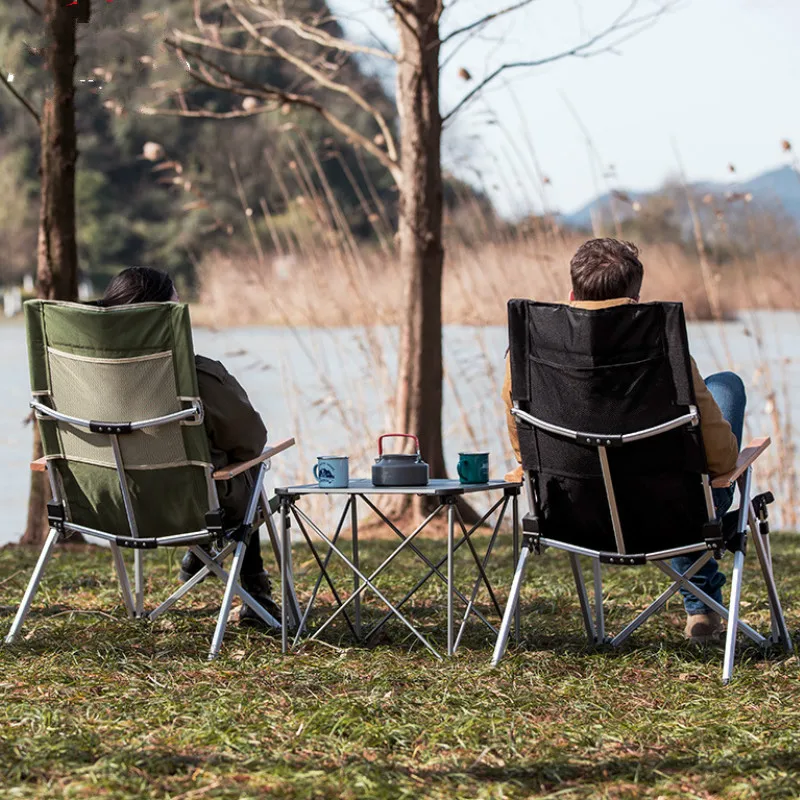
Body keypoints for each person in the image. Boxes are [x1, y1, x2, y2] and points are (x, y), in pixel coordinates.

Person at [502, 238, 743, 642]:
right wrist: (729, 469)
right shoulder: (668, 358)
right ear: (637, 300)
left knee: (678, 471)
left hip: (570, 514)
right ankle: (702, 608)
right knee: (726, 388)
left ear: (572, 295)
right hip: (675, 512)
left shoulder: (528, 357)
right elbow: (719, 461)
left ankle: (702, 608)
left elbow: (523, 440)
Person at [102, 266, 281, 627]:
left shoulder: (86, 382)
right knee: (247, 471)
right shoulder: (197, 377)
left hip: (109, 506)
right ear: (166, 317)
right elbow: (251, 442)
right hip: (196, 508)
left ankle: (200, 554)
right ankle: (256, 595)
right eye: (177, 303)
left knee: (214, 470)